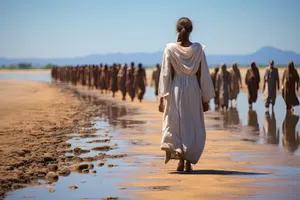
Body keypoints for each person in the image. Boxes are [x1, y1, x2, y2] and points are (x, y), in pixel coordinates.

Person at [158, 17, 214, 172]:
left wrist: (162, 98)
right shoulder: (198, 49)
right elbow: (203, 74)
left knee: (177, 124)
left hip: (176, 89)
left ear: (177, 30)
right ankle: (187, 161)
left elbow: (165, 74)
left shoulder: (170, 49)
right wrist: (205, 98)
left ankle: (181, 161)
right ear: (191, 30)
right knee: (192, 124)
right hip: (194, 90)